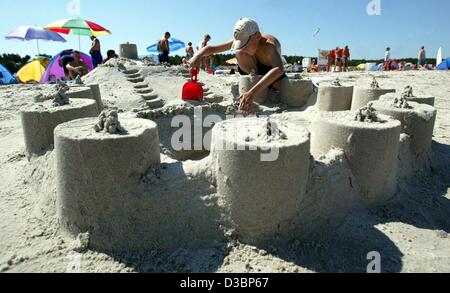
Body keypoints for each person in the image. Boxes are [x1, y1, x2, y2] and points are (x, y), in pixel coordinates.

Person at [189, 18, 286, 113]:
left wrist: (251, 93)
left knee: (282, 88)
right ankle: (255, 80)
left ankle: (264, 87)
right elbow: (211, 49)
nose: (243, 48)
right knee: (239, 52)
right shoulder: (243, 37)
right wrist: (196, 57)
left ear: (257, 36)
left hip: (270, 69)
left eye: (245, 44)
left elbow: (278, 69)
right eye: (241, 44)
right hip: (253, 68)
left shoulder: (269, 45)